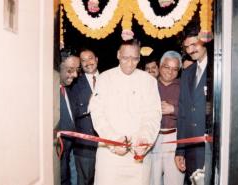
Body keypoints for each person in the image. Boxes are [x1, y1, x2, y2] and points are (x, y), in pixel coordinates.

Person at [89, 39, 162, 185]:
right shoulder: (104, 78)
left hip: (138, 157)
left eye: (134, 59)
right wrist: (113, 141)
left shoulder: (149, 81)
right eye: (125, 58)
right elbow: (98, 114)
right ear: (118, 55)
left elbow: (153, 115)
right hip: (110, 157)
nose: (130, 63)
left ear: (139, 58)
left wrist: (144, 139)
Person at [175, 29, 213, 184]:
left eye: (194, 44)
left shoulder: (219, 68)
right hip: (191, 149)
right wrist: (180, 149)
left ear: (205, 40)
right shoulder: (187, 73)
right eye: (187, 47)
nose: (190, 50)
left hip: (211, 147)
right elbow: (183, 113)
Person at [150, 51, 185, 185]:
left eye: (175, 69)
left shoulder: (184, 86)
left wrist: (173, 109)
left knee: (175, 181)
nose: (170, 72)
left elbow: (192, 113)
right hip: (153, 138)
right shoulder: (149, 85)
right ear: (160, 66)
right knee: (152, 180)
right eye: (167, 67)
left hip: (175, 139)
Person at [70, 48, 99, 185]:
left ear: (97, 59)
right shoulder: (74, 84)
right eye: (83, 60)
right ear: (80, 64)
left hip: (109, 147)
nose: (88, 62)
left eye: (90, 58)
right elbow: (72, 113)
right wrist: (89, 105)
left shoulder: (109, 79)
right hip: (85, 147)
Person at [56, 49, 80, 185]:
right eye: (70, 70)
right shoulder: (49, 92)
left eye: (77, 70)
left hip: (69, 147)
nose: (75, 75)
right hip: (58, 149)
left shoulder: (67, 89)